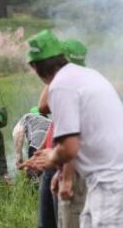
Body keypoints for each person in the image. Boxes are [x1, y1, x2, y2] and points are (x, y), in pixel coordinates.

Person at [22, 29, 123, 228]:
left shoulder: (61, 85)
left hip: (111, 183)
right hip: (105, 179)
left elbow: (69, 148)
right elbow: (84, 137)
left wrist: (51, 158)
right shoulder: (86, 75)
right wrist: (62, 171)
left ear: (34, 67)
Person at [38, 38, 88, 228]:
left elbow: (42, 106)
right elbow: (55, 122)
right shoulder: (64, 84)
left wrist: (66, 178)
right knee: (47, 222)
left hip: (70, 165)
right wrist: (43, 147)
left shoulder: (74, 84)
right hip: (55, 159)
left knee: (63, 220)